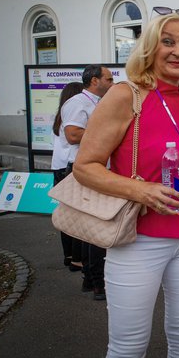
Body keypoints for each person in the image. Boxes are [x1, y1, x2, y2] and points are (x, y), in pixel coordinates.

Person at [73, 7, 179, 358]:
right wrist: (142, 190)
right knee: (128, 349)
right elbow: (84, 167)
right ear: (150, 48)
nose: (178, 51)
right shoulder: (126, 94)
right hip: (141, 237)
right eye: (167, 42)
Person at [51, 65, 115, 301]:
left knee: (92, 229)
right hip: (84, 170)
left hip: (96, 169)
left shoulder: (96, 101)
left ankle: (90, 279)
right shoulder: (79, 102)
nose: (112, 82)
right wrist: (110, 133)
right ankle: (98, 283)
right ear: (95, 80)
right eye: (109, 78)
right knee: (96, 228)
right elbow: (73, 135)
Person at [51, 80, 84, 270]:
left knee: (66, 212)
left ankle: (69, 255)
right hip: (70, 167)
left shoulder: (58, 118)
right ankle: (77, 259)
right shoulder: (74, 120)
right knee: (77, 214)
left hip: (58, 167)